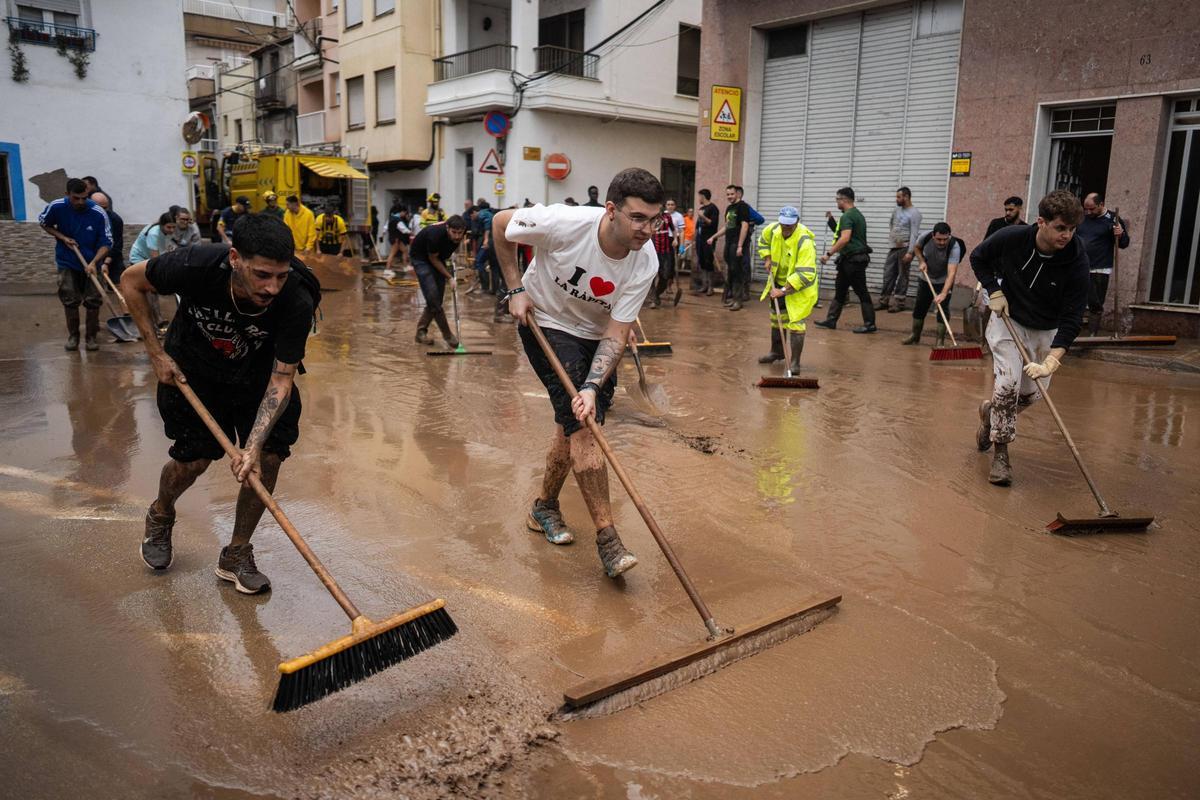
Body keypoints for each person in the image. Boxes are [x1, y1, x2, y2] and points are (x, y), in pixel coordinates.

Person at [119, 214, 316, 593]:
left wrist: (254, 446)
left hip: (260, 376)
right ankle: (161, 513)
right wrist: (156, 354)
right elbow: (131, 281)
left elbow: (282, 377)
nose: (273, 287)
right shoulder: (194, 265)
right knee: (193, 460)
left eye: (281, 275)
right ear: (235, 258)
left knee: (267, 459)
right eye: (262, 275)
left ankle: (237, 553)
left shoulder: (297, 298)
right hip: (194, 370)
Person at [492, 167, 661, 578]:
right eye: (638, 218)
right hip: (546, 323)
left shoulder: (646, 263)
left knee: (570, 424)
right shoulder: (564, 223)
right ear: (610, 210)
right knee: (585, 428)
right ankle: (609, 540)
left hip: (596, 334)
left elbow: (618, 332)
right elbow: (499, 224)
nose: (647, 229)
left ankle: (544, 508)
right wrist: (516, 288)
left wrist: (590, 385)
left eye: (654, 220)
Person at [971, 190, 1088, 486]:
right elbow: (979, 257)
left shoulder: (1076, 259)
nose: (1067, 235)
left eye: (1073, 229)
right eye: (1061, 228)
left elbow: (1074, 316)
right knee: (1008, 385)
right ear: (1041, 222)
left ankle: (991, 414)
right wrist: (993, 290)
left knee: (1032, 395)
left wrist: (1051, 360)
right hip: (1008, 319)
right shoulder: (1012, 237)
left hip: (1046, 329)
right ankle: (1001, 454)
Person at [39, 178, 112, 351]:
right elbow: (44, 223)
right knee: (70, 299)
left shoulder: (98, 213)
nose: (80, 202)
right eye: (75, 198)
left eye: (84, 198)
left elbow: (107, 242)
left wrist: (94, 262)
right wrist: (62, 237)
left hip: (92, 261)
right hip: (67, 261)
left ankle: (91, 338)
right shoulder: (57, 206)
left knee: (93, 300)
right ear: (67, 195)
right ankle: (73, 337)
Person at [756, 207, 818, 374]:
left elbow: (805, 274)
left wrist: (783, 291)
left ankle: (795, 364)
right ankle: (777, 352)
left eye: (789, 226)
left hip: (800, 288)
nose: (785, 228)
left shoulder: (804, 241)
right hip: (778, 280)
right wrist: (767, 257)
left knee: (796, 323)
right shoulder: (774, 229)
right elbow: (763, 240)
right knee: (777, 318)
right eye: (783, 224)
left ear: (797, 222)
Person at [813, 187, 877, 333]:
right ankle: (831, 320)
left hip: (853, 261)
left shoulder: (848, 216)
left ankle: (870, 324)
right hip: (848, 260)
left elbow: (845, 238)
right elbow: (843, 233)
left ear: (844, 200)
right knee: (840, 290)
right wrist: (831, 221)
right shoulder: (855, 214)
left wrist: (828, 254)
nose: (836, 202)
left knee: (861, 291)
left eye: (837, 199)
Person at [410, 216, 467, 348]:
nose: (457, 236)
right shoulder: (434, 235)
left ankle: (420, 333)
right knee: (434, 299)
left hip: (439, 259)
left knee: (436, 300)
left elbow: (444, 255)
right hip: (421, 259)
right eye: (454, 232)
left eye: (460, 233)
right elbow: (433, 259)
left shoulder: (460, 231)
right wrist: (449, 277)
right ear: (447, 228)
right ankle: (448, 336)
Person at [902, 222, 963, 346]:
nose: (942, 243)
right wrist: (921, 261)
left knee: (943, 309)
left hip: (944, 281)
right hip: (926, 278)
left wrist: (944, 293)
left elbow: (951, 273)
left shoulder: (954, 246)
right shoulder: (925, 237)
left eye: (945, 239)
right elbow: (916, 248)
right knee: (920, 307)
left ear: (949, 236)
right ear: (933, 236)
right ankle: (915, 335)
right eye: (939, 239)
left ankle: (939, 341)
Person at [1078, 192, 1130, 335]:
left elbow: (1124, 243)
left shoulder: (1113, 219)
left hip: (1100, 268)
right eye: (1086, 209)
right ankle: (1073, 332)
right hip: (1080, 266)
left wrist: (1121, 235)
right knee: (1076, 300)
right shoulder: (1082, 218)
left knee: (1095, 303)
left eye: (1092, 209)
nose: (1088, 212)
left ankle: (1092, 334)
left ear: (1101, 205)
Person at [878, 186, 923, 312]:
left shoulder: (914, 213)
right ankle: (884, 301)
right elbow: (892, 224)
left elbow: (914, 233)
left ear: (906, 197)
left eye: (899, 197)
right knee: (888, 274)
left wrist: (910, 252)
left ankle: (899, 303)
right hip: (893, 248)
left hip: (905, 248)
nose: (896, 199)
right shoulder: (896, 210)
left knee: (903, 276)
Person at [708, 184, 751, 311]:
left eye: (732, 194)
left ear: (737, 194)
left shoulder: (743, 207)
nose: (730, 196)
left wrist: (740, 246)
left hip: (737, 244)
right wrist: (714, 237)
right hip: (729, 242)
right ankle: (733, 299)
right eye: (727, 194)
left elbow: (745, 226)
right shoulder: (729, 208)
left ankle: (738, 300)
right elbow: (727, 226)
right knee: (731, 271)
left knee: (737, 271)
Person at [91, 191, 125, 284]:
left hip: (112, 256)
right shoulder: (86, 217)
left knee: (120, 283)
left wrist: (106, 263)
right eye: (100, 208)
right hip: (92, 256)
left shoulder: (115, 219)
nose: (103, 211)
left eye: (105, 208)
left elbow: (117, 245)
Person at [648, 204, 676, 309]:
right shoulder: (651, 217)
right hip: (653, 250)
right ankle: (654, 299)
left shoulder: (667, 217)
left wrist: (676, 239)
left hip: (666, 250)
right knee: (651, 275)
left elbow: (673, 229)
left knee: (665, 275)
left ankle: (657, 295)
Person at [693, 188, 720, 295]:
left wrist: (703, 216)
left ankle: (710, 287)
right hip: (700, 239)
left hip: (709, 239)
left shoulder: (713, 208)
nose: (698, 198)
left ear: (703, 196)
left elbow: (713, 224)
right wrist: (694, 239)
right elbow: (697, 225)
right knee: (702, 262)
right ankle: (704, 285)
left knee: (709, 262)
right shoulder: (701, 208)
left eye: (699, 196)